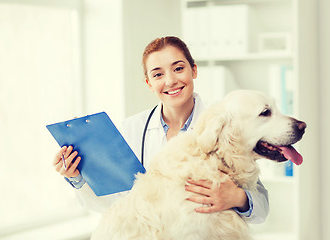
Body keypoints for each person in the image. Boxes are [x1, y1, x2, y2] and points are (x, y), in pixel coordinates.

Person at [53, 36, 269, 223]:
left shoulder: (223, 125)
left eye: (178, 68)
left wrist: (238, 198)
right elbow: (116, 205)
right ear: (148, 83)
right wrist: (77, 178)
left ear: (193, 70)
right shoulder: (131, 129)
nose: (170, 81)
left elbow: (262, 209)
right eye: (158, 74)